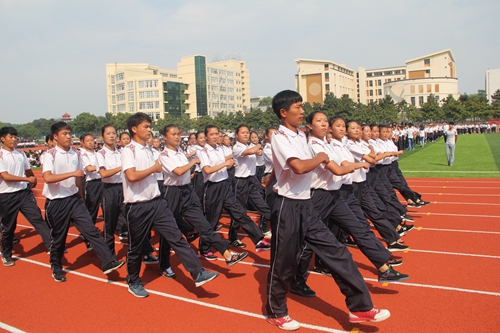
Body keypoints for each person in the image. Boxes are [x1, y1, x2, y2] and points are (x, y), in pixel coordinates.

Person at [264, 90, 390, 330]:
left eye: (302, 107)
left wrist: (272, 176)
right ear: (283, 112)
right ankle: (276, 311)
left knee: (338, 252)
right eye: (297, 107)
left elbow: (302, 163)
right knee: (283, 262)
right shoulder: (279, 137)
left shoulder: (301, 136)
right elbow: (299, 167)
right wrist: (321, 157)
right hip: (286, 206)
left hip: (306, 204)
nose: (302, 111)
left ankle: (360, 308)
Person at [121, 113, 218, 298]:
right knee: (136, 247)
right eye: (146, 127)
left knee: (177, 238)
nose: (149, 130)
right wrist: (153, 169)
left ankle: (197, 272)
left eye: (150, 126)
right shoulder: (129, 150)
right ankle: (133, 281)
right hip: (137, 206)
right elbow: (132, 176)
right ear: (134, 129)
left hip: (157, 202)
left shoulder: (150, 151)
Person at [157, 124, 248, 274]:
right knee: (170, 231)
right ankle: (164, 264)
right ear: (165, 137)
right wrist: (193, 162)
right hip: (172, 193)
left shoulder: (180, 152)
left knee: (203, 224)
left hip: (187, 191)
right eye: (173, 134)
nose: (177, 136)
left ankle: (227, 253)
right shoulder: (164, 155)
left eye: (178, 133)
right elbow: (178, 171)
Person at [42, 122, 124, 282]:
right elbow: (47, 178)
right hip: (57, 201)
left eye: (69, 134)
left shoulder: (75, 154)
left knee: (91, 231)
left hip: (74, 200)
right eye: (64, 134)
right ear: (55, 137)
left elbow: (79, 179)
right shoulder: (49, 155)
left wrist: (80, 197)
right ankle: (56, 266)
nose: (68, 137)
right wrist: (72, 173)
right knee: (59, 237)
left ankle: (108, 261)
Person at [197, 125, 271, 254]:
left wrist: (230, 161)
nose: (215, 137)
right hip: (212, 188)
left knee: (239, 213)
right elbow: (207, 170)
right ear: (206, 136)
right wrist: (225, 164)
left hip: (225, 185)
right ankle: (205, 249)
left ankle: (258, 240)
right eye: (212, 134)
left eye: (217, 134)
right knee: (212, 220)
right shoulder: (203, 152)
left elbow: (229, 158)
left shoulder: (219, 149)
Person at [0, 127, 53, 266]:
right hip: (6, 195)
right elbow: (5, 176)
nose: (14, 139)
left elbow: (28, 171)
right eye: (10, 137)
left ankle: (52, 246)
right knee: (9, 227)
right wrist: (26, 179)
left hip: (24, 194)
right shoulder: (0, 155)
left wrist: (33, 179)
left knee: (38, 220)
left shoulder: (21, 154)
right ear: (2, 139)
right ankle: (6, 254)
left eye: (15, 137)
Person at [229, 125, 272, 242]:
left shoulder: (249, 146)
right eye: (243, 133)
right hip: (240, 182)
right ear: (237, 135)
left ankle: (263, 228)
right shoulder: (237, 148)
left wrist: (258, 152)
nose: (246, 134)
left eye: (247, 132)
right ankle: (233, 236)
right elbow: (251, 151)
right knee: (240, 211)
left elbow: (255, 153)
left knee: (263, 205)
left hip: (251, 180)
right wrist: (259, 145)